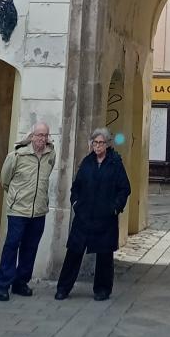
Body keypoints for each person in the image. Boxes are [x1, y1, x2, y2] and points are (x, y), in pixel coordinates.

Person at [55, 127, 131, 302]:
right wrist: (76, 203)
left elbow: (124, 188)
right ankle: (63, 288)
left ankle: (102, 289)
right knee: (74, 252)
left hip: (105, 218)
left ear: (107, 144)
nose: (97, 146)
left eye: (101, 143)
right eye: (95, 142)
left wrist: (115, 208)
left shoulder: (115, 163)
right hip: (84, 216)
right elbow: (76, 186)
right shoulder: (87, 162)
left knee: (104, 255)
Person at [0, 122, 55, 301]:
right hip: (18, 210)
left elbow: (47, 175)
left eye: (45, 135)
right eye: (39, 135)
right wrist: (17, 197)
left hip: (39, 211)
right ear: (31, 136)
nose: (42, 138)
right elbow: (5, 180)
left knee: (30, 247)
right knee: (12, 246)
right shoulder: (17, 155)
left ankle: (20, 282)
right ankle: (2, 285)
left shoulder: (51, 154)